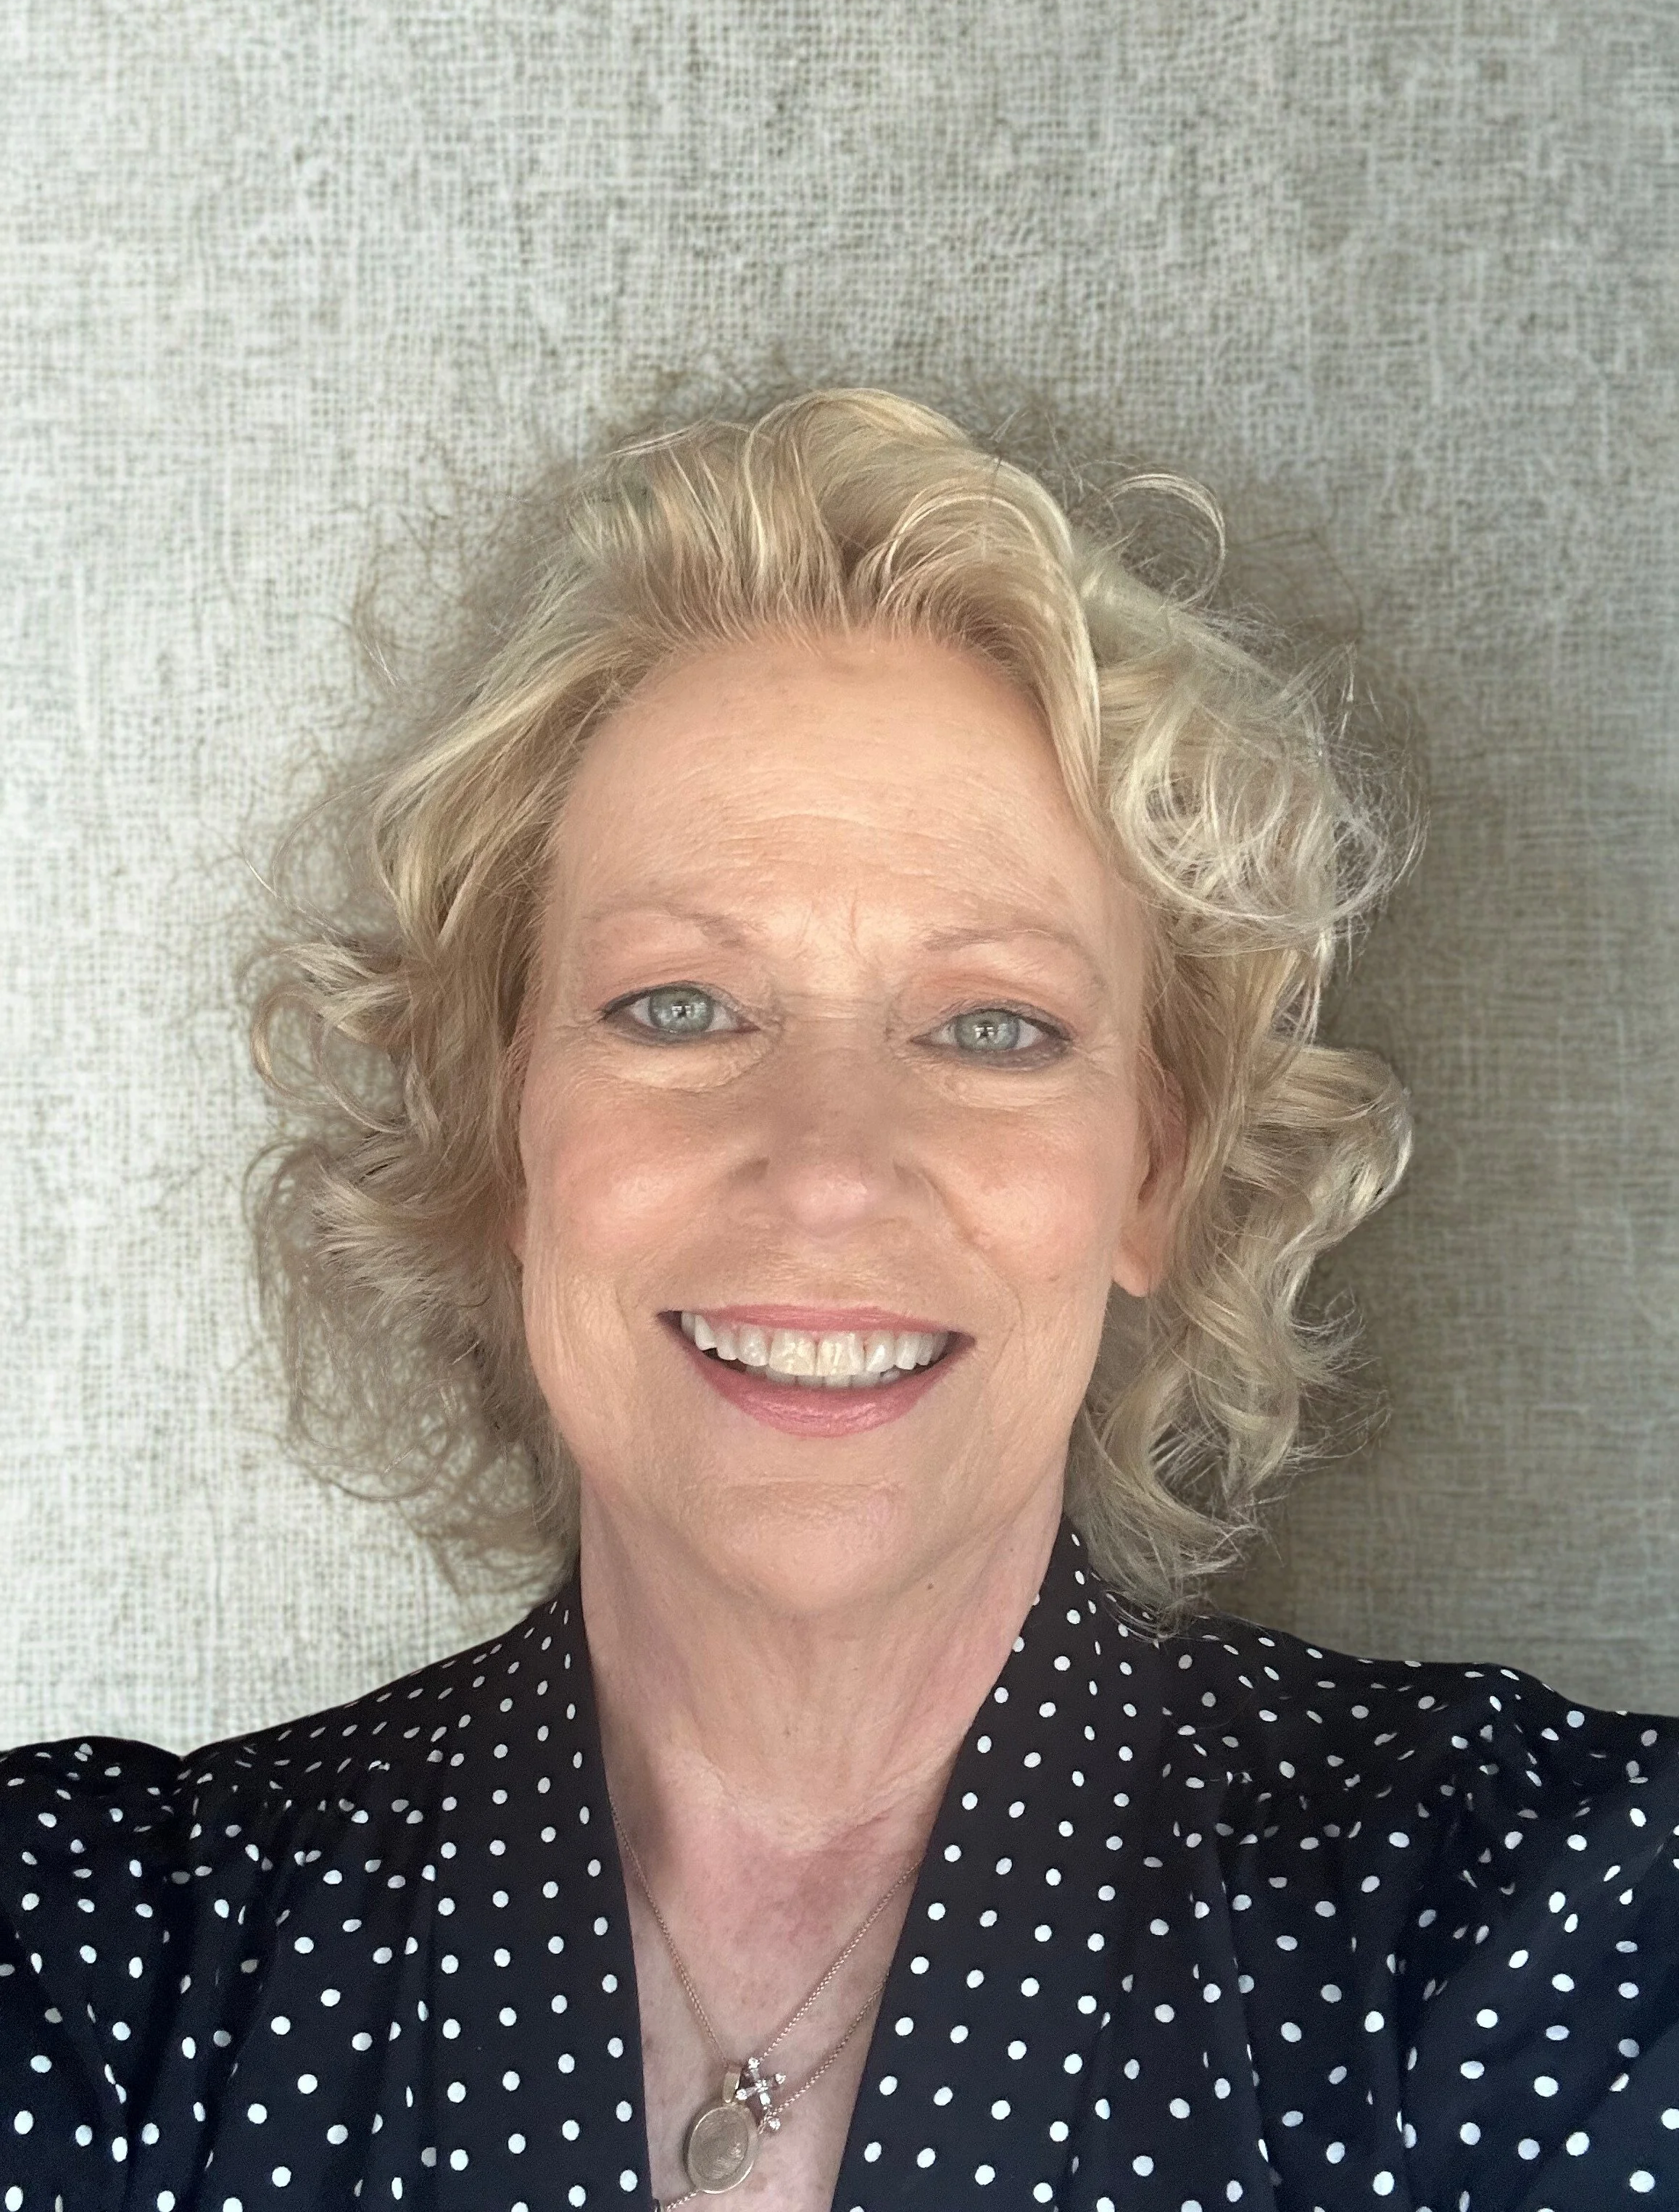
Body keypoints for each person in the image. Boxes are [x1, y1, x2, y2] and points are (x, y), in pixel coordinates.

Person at [2, 389, 1675, 2212]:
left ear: (1153, 1172)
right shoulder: (101, 1959)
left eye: (992, 1027)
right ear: (502, 1129)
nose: (826, 1166)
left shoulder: (1537, 1921)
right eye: (677, 1005)